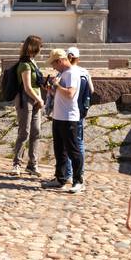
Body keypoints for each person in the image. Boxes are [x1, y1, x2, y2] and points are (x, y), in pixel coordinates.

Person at [42, 49, 84, 193]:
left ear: (60, 61)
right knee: (59, 150)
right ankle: (60, 178)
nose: (53, 67)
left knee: (73, 150)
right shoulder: (63, 73)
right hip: (59, 116)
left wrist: (58, 85)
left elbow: (70, 94)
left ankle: (78, 181)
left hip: (68, 118)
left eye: (54, 64)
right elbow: (61, 95)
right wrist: (50, 90)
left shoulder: (71, 73)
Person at [60, 47, 93, 185]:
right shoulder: (84, 72)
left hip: (67, 112)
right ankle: (80, 172)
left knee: (67, 143)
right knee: (78, 142)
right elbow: (92, 90)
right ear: (78, 58)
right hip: (80, 111)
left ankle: (68, 174)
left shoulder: (66, 73)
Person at [12, 35, 44, 177]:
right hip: (26, 100)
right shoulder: (24, 64)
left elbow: (36, 84)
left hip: (36, 99)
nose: (41, 49)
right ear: (34, 47)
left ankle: (32, 164)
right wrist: (39, 99)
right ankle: (16, 164)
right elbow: (27, 87)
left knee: (36, 131)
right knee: (24, 131)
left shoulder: (33, 62)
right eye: (40, 46)